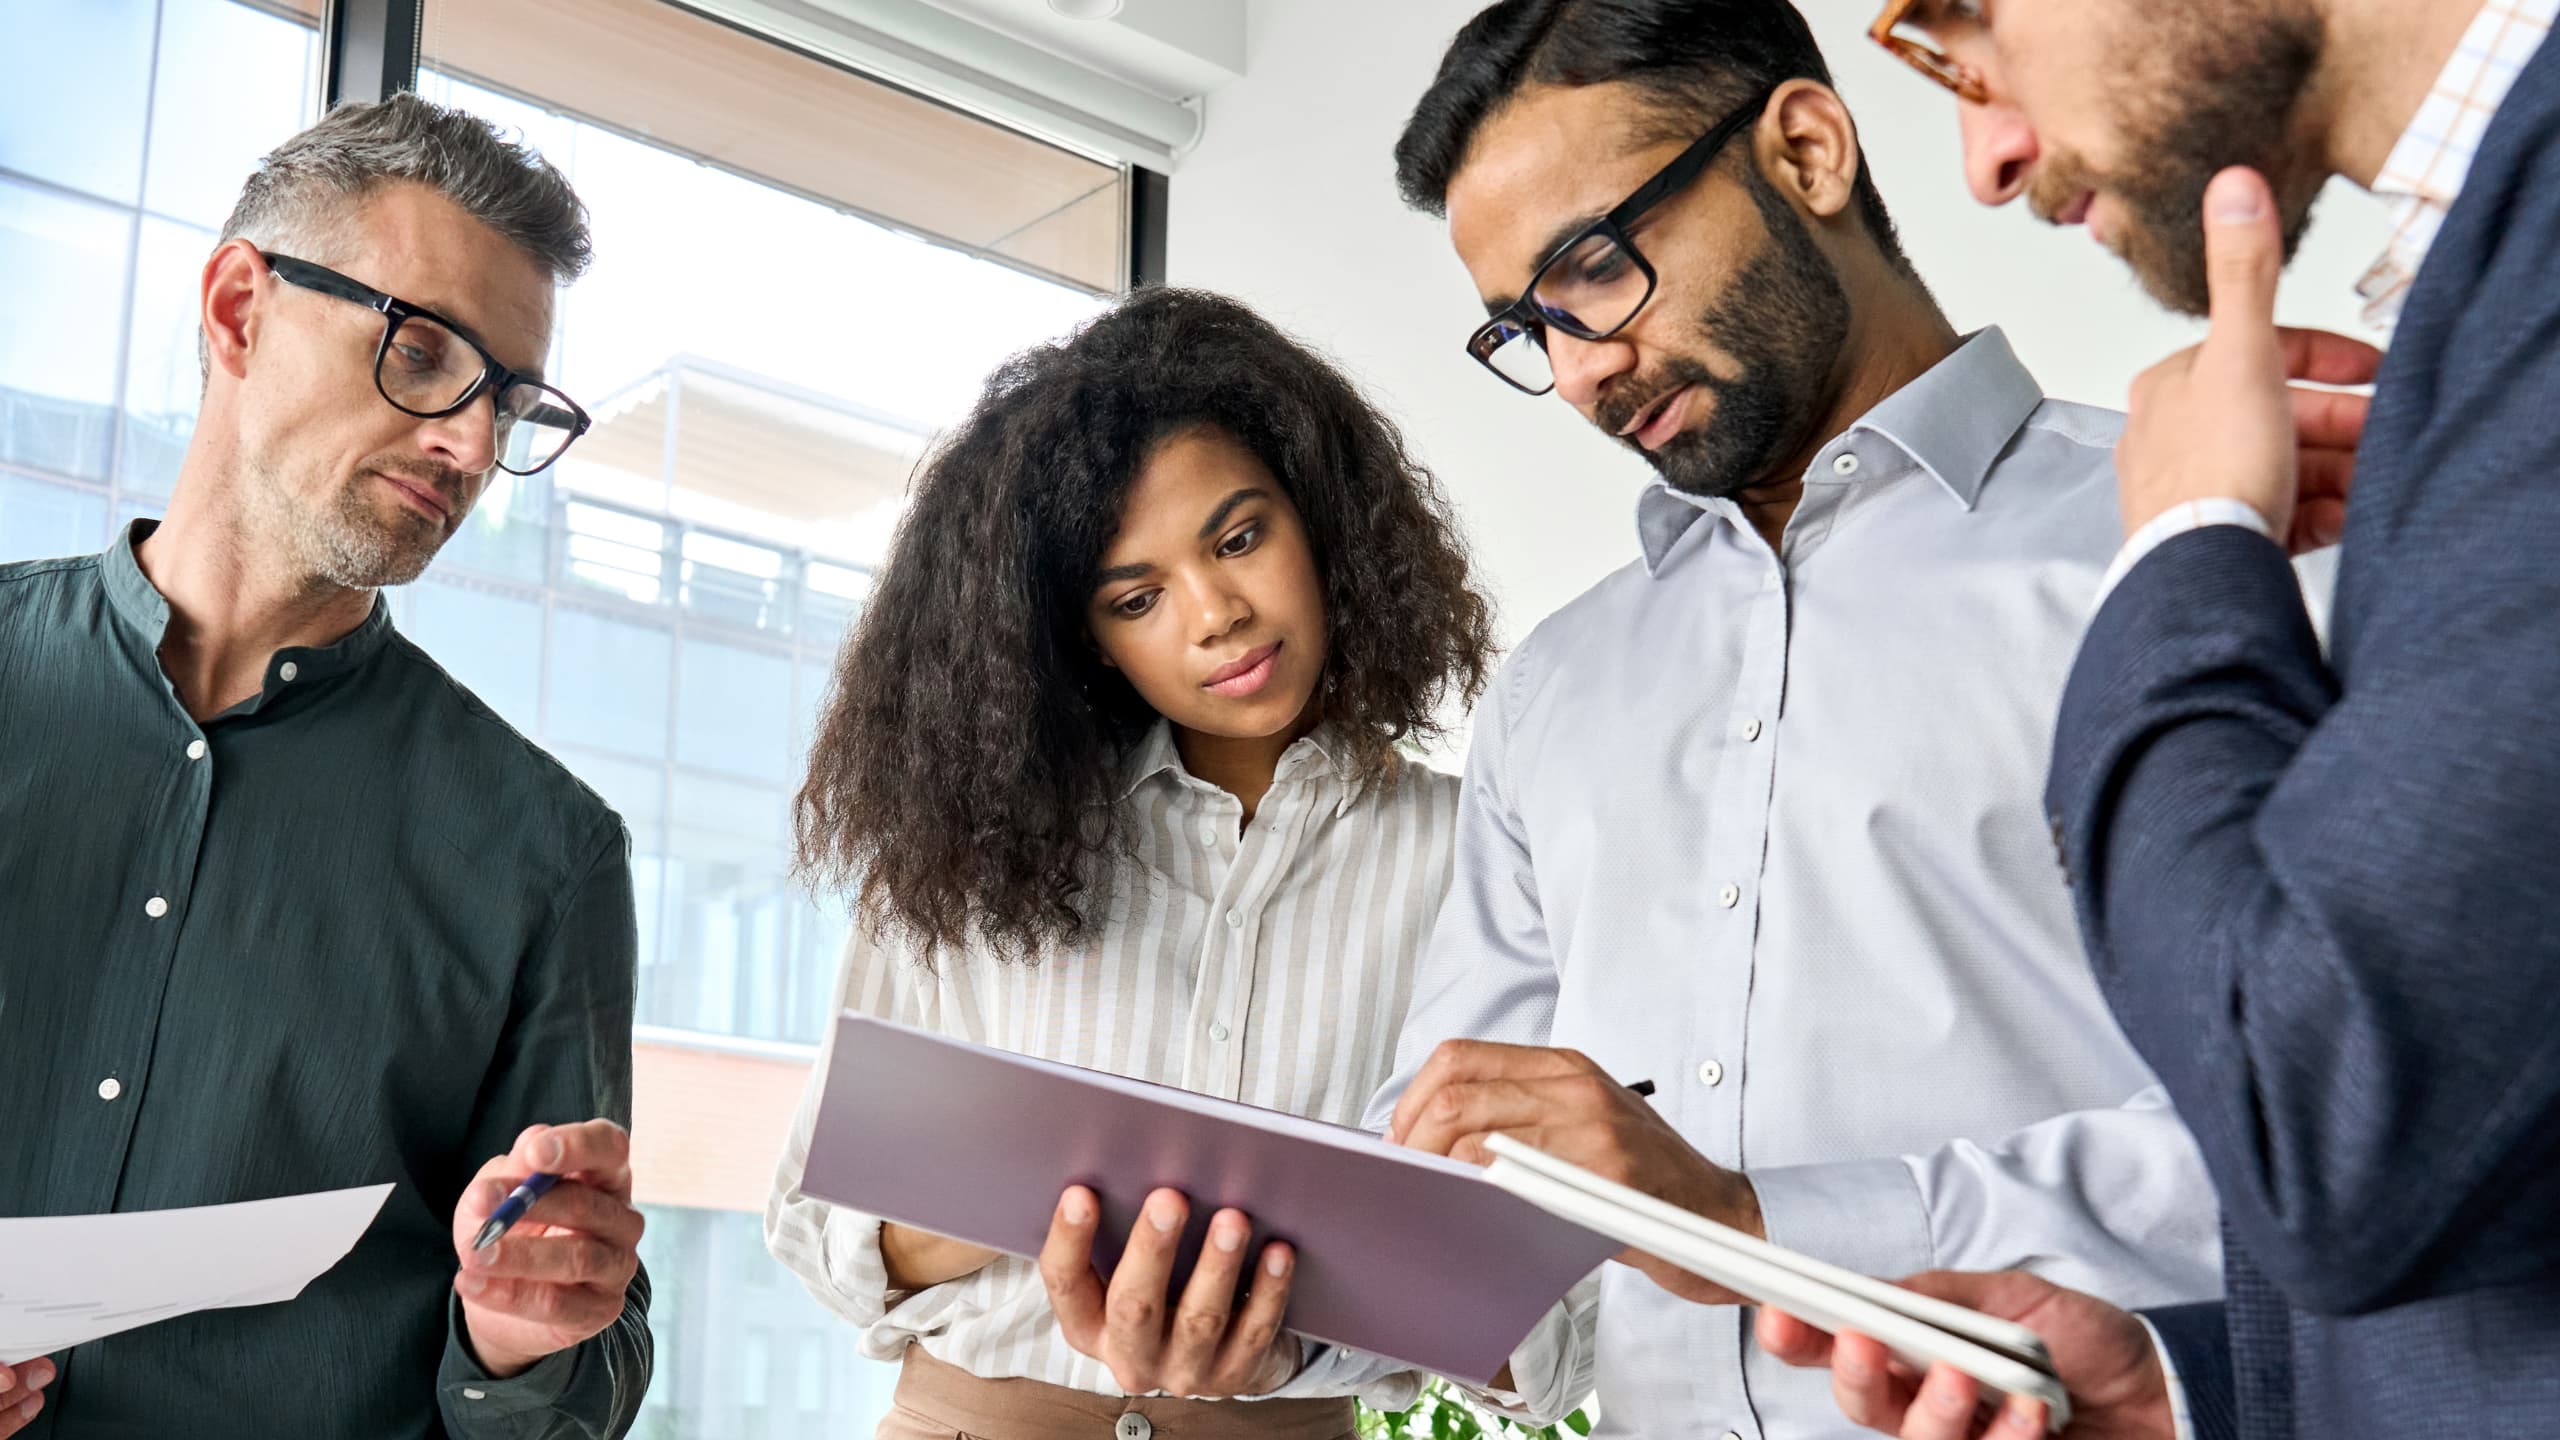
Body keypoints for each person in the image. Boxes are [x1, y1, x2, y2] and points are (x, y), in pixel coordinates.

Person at [1352, 3, 2242, 1436]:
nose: (1577, 370)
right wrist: (1279, 1301)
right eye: (1526, 327)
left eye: (1595, 269)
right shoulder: (1557, 691)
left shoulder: (2187, 542)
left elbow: (2310, 1138)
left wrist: (1765, 1222)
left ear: (1810, 150)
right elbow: (1481, 1202)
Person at [1758, 2, 2560, 1437]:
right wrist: (2189, 1388)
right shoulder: (2492, 292)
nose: (1987, 157)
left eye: (1965, 17)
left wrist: (2185, 544)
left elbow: (2318, 1115)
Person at [0, 95, 650, 1437]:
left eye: (511, 403)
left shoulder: (545, 852)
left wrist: (519, 1337)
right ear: (240, 307)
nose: (471, 446)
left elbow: (575, 1384)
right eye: (422, 357)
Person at [763, 287, 1497, 1439]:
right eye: (1137, 598)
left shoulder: (1476, 852)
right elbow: (818, 1232)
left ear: (1325, 521)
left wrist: (1265, 1321)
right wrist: (1058, 1202)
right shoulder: (967, 841)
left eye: (1240, 537)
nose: (1215, 615)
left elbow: (1505, 1291)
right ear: (1080, 640)